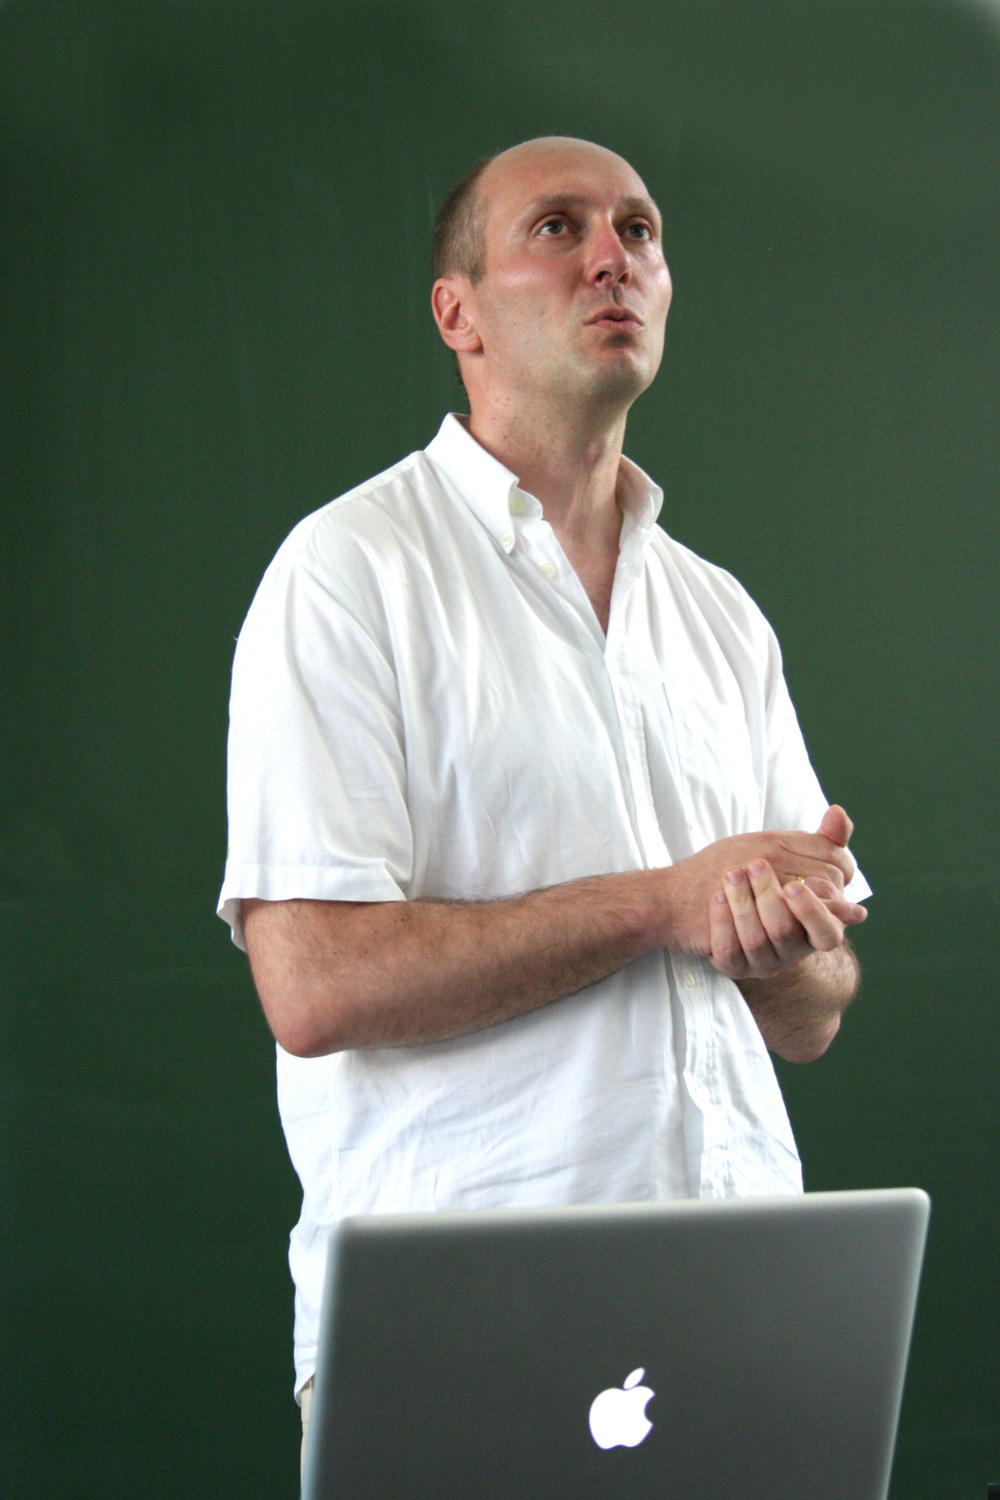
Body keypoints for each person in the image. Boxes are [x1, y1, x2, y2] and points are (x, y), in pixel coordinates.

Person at [217, 136, 870, 1453]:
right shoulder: (350, 574)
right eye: (557, 229)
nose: (613, 258)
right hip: (459, 1335)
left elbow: (814, 1017)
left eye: (640, 230)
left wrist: (781, 944)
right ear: (456, 313)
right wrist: (663, 906)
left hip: (736, 1325)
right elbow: (313, 986)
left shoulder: (721, 617)